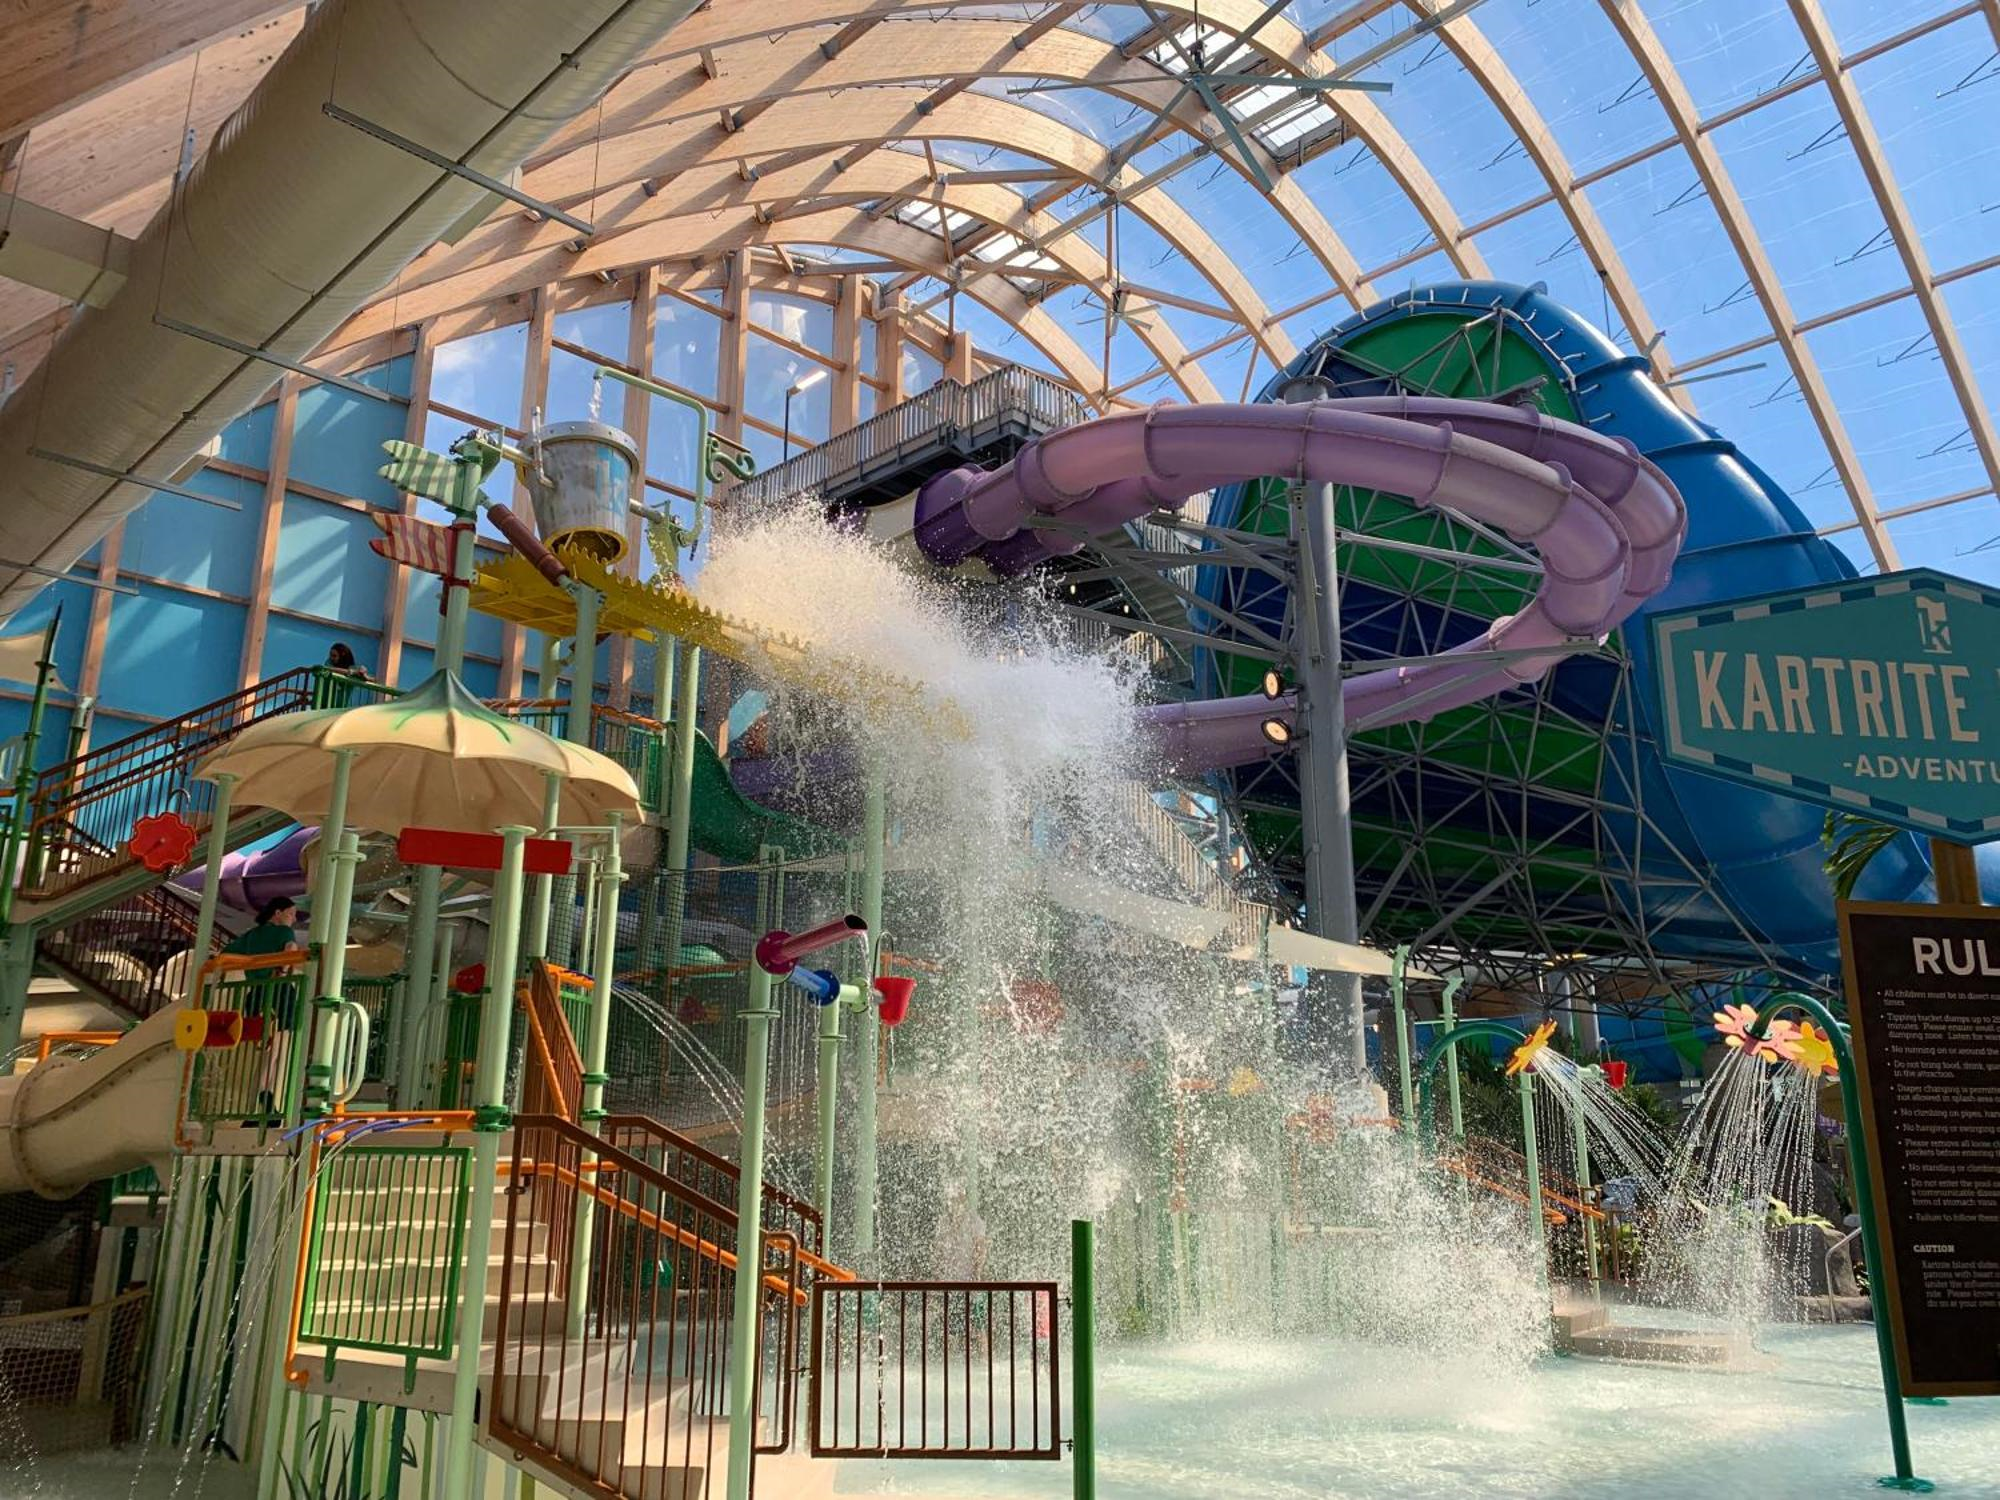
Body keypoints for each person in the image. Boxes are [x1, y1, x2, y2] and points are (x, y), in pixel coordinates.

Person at [222, 897, 298, 957]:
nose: (294, 919)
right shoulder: (285, 931)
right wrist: (284, 969)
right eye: (291, 914)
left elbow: (226, 952)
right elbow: (291, 949)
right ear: (278, 913)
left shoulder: (252, 933)